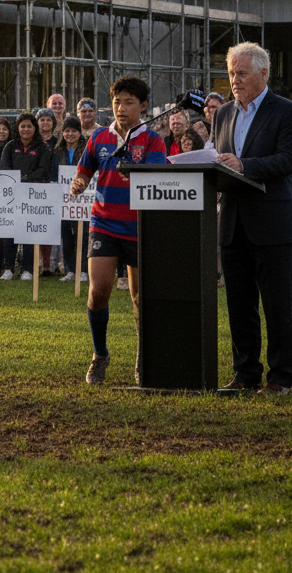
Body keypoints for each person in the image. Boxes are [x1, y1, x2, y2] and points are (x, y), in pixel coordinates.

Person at [211, 43, 292, 395]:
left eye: (242, 73)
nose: (234, 80)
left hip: (272, 223)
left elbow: (287, 160)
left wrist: (244, 165)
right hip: (232, 223)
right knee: (239, 304)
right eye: (231, 73)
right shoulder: (221, 114)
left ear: (263, 75)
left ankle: (280, 377)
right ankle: (245, 373)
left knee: (277, 305)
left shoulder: (287, 112)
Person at [70, 77, 168, 386]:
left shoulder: (153, 140)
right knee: (98, 292)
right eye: (116, 102)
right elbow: (85, 169)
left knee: (141, 299)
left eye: (128, 102)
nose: (121, 108)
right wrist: (80, 182)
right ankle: (100, 355)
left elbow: (153, 175)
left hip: (140, 226)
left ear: (142, 106)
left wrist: (127, 160)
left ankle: (144, 355)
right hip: (104, 224)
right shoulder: (99, 137)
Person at [0, 113, 52, 281]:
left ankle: (28, 269)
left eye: (29, 126)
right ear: (17, 127)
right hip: (12, 196)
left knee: (29, 231)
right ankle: (8, 268)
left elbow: (43, 169)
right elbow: (4, 167)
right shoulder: (9, 146)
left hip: (33, 196)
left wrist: (25, 179)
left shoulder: (42, 147)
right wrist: (16, 180)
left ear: (34, 128)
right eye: (23, 126)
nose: (26, 129)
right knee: (10, 231)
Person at [52, 117, 88, 282]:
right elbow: (53, 174)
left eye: (74, 130)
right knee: (66, 235)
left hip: (84, 200)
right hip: (63, 200)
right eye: (67, 131)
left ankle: (84, 271)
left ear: (79, 133)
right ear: (62, 132)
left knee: (84, 235)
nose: (70, 134)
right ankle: (70, 271)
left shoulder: (87, 149)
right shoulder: (57, 151)